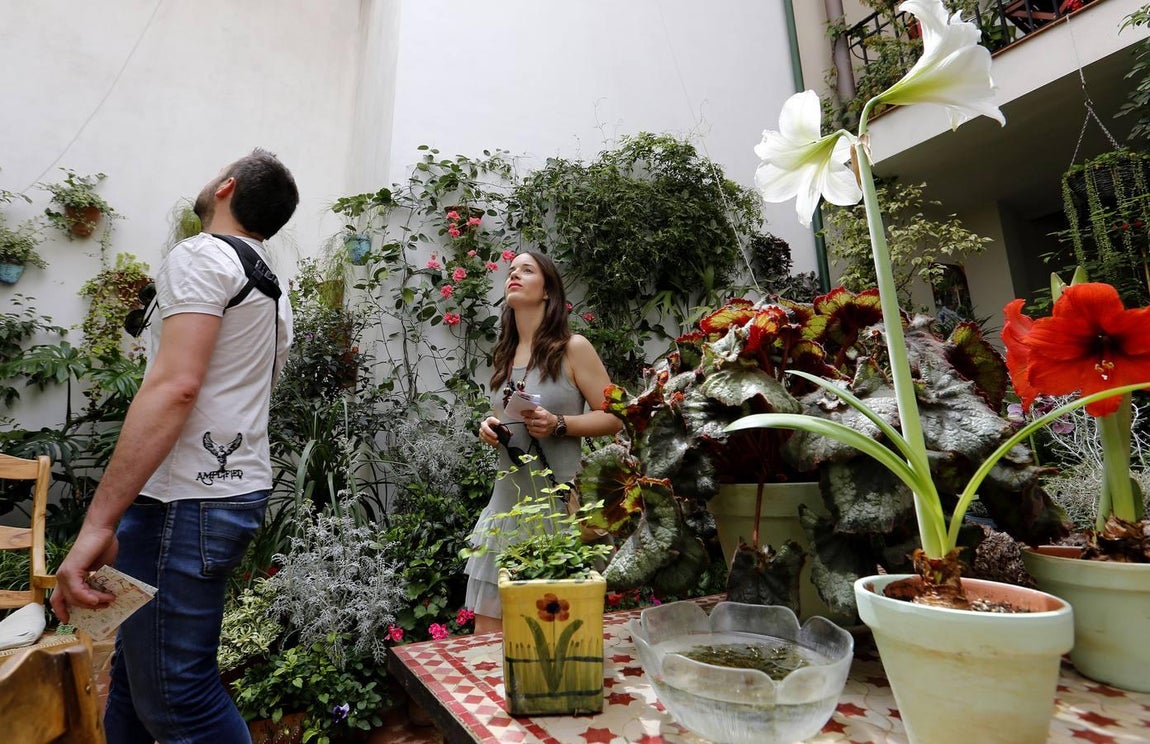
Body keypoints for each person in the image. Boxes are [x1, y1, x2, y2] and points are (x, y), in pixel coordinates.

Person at [50, 149, 298, 742]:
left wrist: (96, 525)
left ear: (227, 187)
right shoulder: (271, 287)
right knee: (137, 690)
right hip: (225, 495)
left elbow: (175, 387)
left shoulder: (202, 254)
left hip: (180, 504)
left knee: (179, 700)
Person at [465, 250, 621, 635]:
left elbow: (617, 414)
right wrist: (489, 428)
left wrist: (559, 424)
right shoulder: (503, 356)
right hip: (504, 512)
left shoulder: (573, 348)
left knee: (559, 641)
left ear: (548, 291)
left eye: (526, 270)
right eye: (511, 270)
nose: (513, 275)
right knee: (488, 646)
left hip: (558, 514)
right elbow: (508, 422)